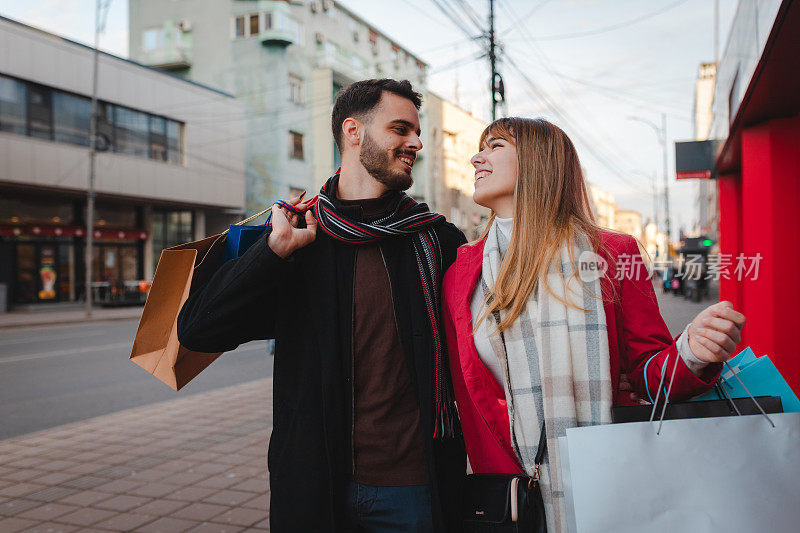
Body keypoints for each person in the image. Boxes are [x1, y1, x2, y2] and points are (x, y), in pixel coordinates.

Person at [178, 79, 467, 532]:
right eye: (400, 129)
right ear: (353, 132)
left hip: (414, 486)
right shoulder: (300, 239)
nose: (415, 142)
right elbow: (198, 331)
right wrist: (271, 253)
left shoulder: (436, 239)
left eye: (417, 131)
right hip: (314, 486)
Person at [440, 117, 746, 532]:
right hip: (510, 497)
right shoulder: (462, 273)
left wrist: (692, 351)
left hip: (612, 486)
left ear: (538, 161)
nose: (477, 157)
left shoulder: (614, 254)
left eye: (495, 146)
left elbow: (647, 373)